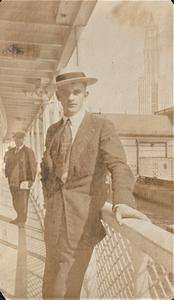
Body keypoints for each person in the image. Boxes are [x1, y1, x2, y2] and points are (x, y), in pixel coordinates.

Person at [41, 72, 149, 299]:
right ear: (58, 96)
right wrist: (49, 202)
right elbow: (46, 171)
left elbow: (119, 165)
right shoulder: (52, 131)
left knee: (64, 291)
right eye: (65, 93)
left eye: (76, 92)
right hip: (53, 225)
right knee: (49, 288)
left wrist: (122, 202)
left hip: (81, 226)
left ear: (85, 94)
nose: (71, 97)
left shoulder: (100, 126)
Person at [4, 131, 37, 227]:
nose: (17, 141)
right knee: (15, 200)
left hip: (24, 181)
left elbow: (33, 166)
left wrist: (31, 180)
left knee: (23, 201)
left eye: (19, 139)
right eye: (15, 139)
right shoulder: (11, 151)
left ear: (23, 139)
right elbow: (7, 161)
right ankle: (18, 217)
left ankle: (22, 221)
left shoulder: (28, 152)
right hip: (12, 181)